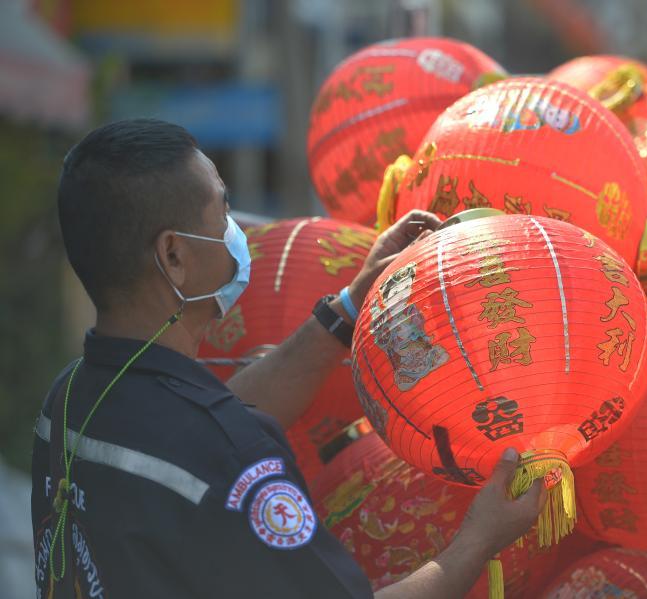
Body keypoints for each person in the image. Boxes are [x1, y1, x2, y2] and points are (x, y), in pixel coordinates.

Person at [31, 119, 545, 598]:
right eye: (223, 211)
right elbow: (215, 446)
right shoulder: (231, 458)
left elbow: (207, 428)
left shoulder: (68, 400)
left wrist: (347, 307)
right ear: (173, 256)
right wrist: (478, 539)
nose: (234, 231)